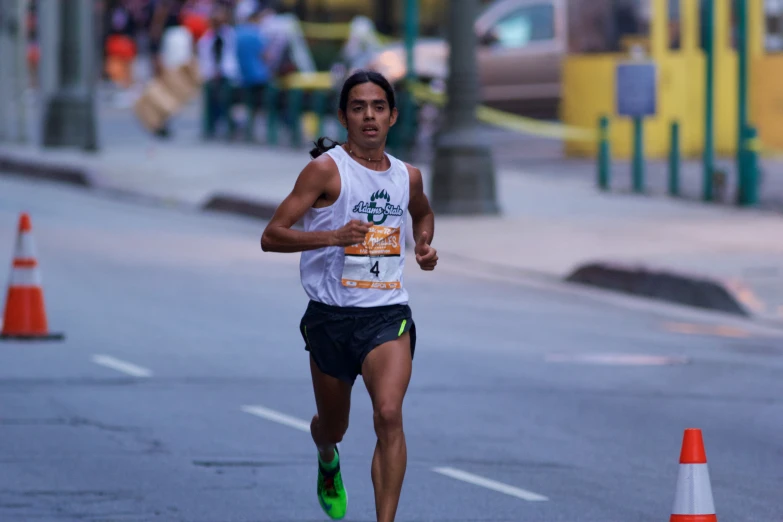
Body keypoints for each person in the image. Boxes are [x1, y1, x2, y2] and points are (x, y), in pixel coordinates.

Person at [260, 70, 438, 522]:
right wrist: (333, 236)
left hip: (386, 314)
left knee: (389, 414)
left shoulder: (407, 176)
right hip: (330, 318)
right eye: (358, 108)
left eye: (378, 107)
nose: (369, 116)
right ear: (343, 116)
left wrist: (422, 245)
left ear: (393, 116)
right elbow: (271, 236)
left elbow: (422, 213)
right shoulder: (326, 171)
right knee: (333, 425)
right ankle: (326, 454)